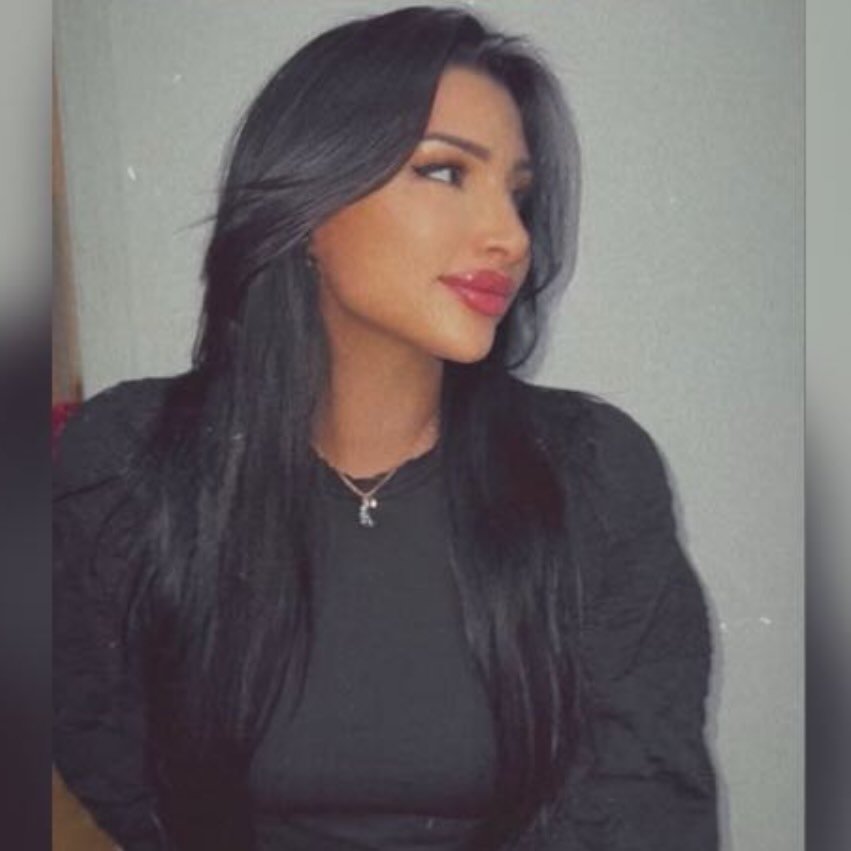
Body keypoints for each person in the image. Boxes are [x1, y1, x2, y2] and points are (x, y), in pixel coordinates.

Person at [53, 6, 718, 850]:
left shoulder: (589, 476)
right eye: (444, 172)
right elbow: (102, 746)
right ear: (308, 202)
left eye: (517, 194)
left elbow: (644, 804)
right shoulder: (132, 464)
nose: (510, 236)